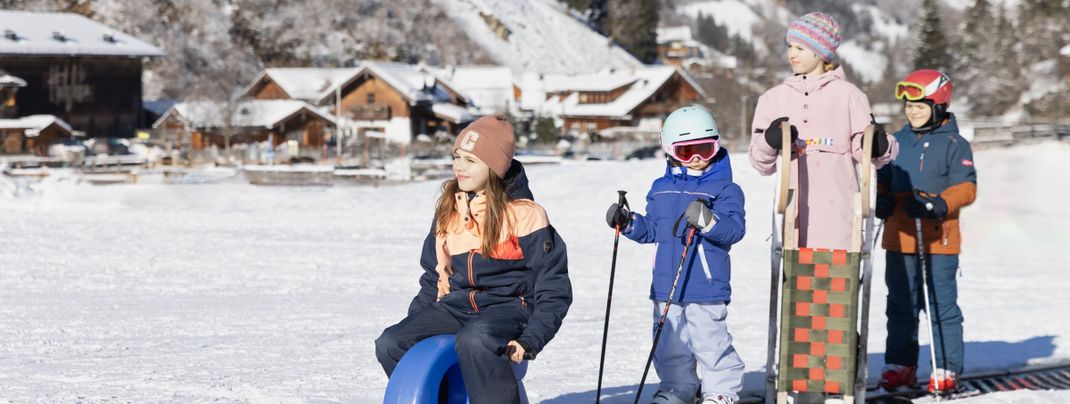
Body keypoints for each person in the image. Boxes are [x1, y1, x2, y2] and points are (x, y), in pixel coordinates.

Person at [375, 116, 572, 404]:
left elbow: (553, 286)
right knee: (391, 342)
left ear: (493, 166)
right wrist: (417, 323)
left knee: (475, 339)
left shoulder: (525, 214)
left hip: (509, 310)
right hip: (457, 308)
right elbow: (434, 277)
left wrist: (531, 339)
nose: (459, 167)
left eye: (470, 160)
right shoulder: (449, 211)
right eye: (456, 157)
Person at [606, 106, 746, 404]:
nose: (696, 157)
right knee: (670, 343)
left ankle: (720, 390)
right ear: (670, 151)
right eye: (687, 151)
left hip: (706, 285)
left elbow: (734, 230)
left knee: (710, 341)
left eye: (705, 149)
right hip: (665, 283)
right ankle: (677, 387)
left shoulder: (725, 188)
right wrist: (629, 223)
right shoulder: (661, 188)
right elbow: (654, 230)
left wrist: (709, 221)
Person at [748, 11, 898, 251]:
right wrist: (768, 141)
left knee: (835, 285)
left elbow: (866, 146)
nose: (791, 53)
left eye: (800, 47)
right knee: (796, 287)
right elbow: (759, 162)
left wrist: (880, 145)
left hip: (838, 217)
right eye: (790, 46)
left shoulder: (849, 95)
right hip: (791, 220)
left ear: (819, 51)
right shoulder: (773, 99)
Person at [875, 69, 976, 393]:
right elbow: (882, 181)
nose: (912, 111)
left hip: (938, 239)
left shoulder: (955, 144)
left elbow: (967, 188)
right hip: (899, 237)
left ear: (939, 105)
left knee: (940, 305)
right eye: (908, 105)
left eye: (920, 105)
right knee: (901, 305)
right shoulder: (897, 141)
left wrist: (938, 205)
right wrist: (882, 201)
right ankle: (900, 365)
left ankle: (946, 367)